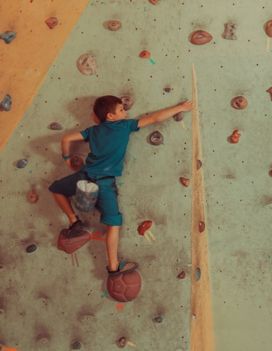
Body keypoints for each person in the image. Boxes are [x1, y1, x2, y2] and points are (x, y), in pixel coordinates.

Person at [49, 95, 193, 276]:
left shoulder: (92, 131)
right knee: (113, 223)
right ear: (111, 116)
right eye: (121, 110)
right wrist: (180, 107)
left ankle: (74, 221)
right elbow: (155, 118)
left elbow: (66, 139)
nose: (126, 111)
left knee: (56, 189)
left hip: (84, 176)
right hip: (105, 184)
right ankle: (113, 267)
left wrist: (67, 159)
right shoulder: (125, 126)